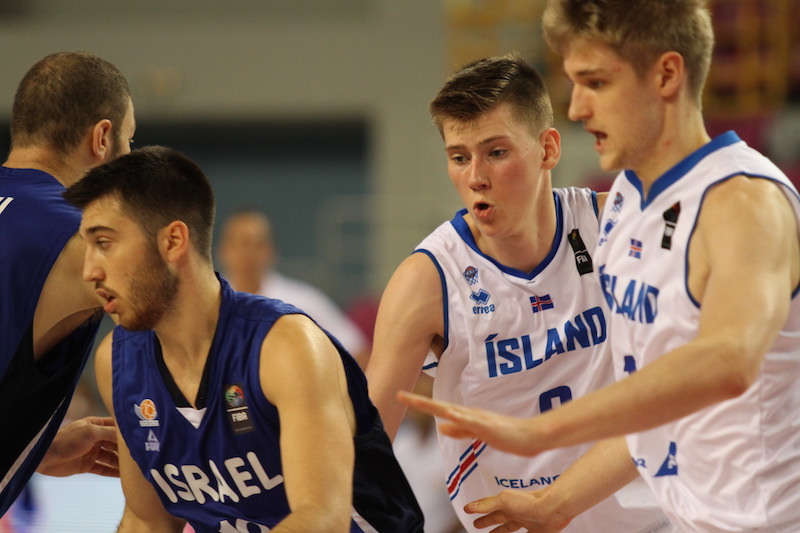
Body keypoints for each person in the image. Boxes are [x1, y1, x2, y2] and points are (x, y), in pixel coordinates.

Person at [399, 1, 800, 531]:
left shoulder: (743, 200)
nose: (577, 107)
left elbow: (729, 360)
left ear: (667, 75)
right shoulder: (627, 204)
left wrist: (543, 431)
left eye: (596, 83)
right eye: (574, 83)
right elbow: (651, 409)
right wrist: (554, 504)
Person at [365, 52, 671, 532]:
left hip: (653, 519)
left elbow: (680, 390)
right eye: (459, 157)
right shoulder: (428, 280)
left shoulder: (620, 229)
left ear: (548, 149)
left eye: (496, 152)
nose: (475, 177)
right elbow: (365, 447)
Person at [63, 146, 424, 532]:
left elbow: (321, 519)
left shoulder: (287, 344)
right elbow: (148, 521)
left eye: (104, 243)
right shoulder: (117, 362)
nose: (89, 271)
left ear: (172, 242)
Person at [0, 51, 136, 515]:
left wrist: (35, 445)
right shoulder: (86, 237)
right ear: (102, 138)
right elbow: (196, 332)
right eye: (130, 140)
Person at [218, 209, 370, 366]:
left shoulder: (303, 302)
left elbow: (357, 353)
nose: (248, 254)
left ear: (272, 250)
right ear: (223, 249)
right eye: (241, 243)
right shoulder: (210, 303)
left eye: (258, 244)